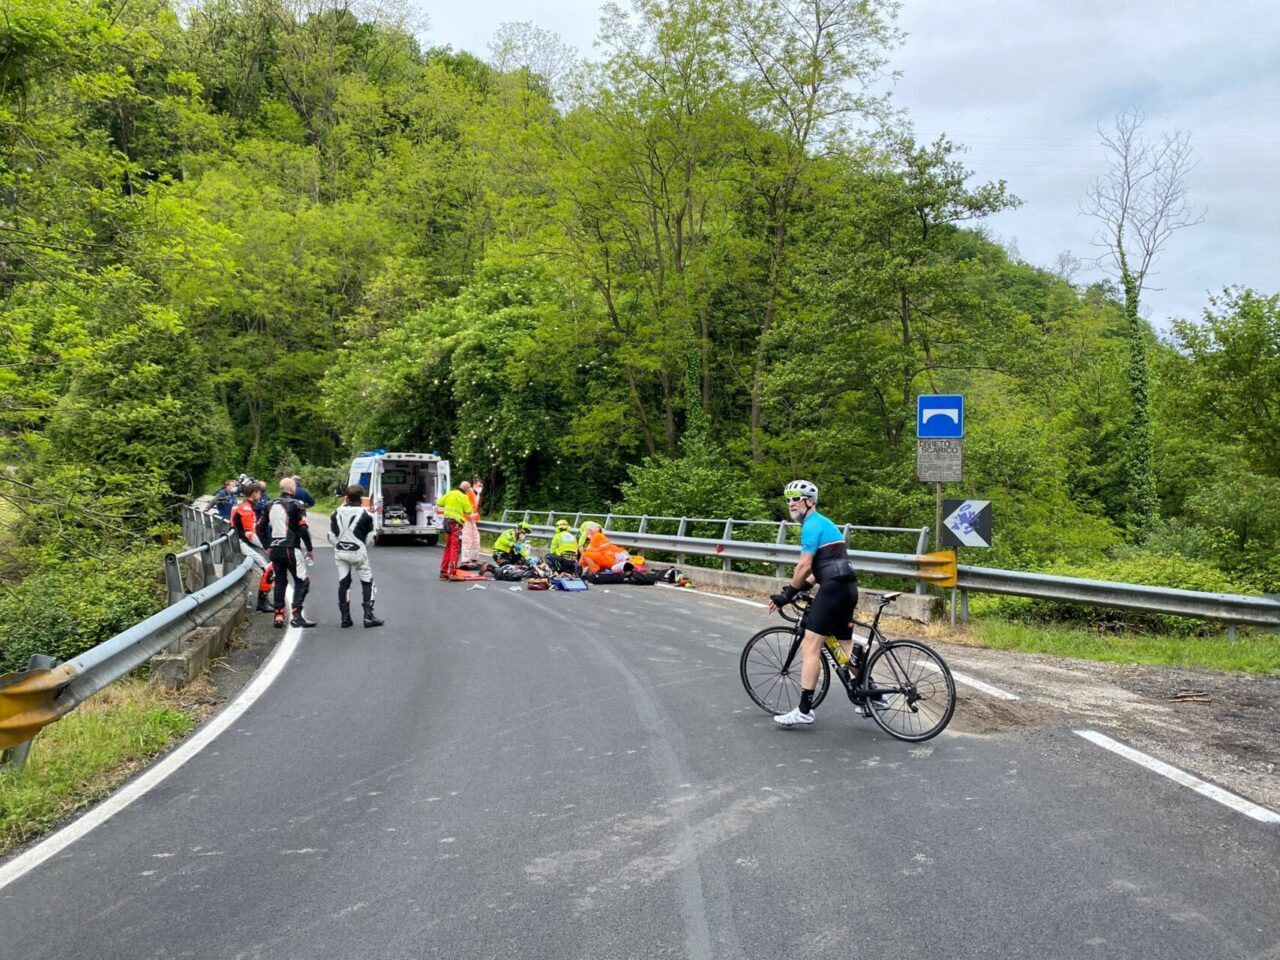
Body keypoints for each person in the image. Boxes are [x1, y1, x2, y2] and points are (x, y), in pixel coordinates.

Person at [768, 480, 859, 728]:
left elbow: (804, 566)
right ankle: (872, 695)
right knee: (845, 648)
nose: (791, 504)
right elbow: (823, 569)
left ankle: (804, 710)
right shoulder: (825, 524)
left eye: (796, 499)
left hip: (833, 590)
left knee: (810, 647)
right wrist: (801, 589)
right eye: (788, 499)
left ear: (810, 501)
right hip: (847, 588)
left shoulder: (811, 525)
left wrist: (788, 594)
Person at [260, 477, 316, 628]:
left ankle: (278, 615)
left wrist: (266, 545)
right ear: (293, 489)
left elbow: (259, 527)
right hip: (291, 547)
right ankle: (297, 615)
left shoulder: (269, 504)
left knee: (280, 581)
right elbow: (303, 529)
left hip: (275, 548)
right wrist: (309, 549)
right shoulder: (297, 504)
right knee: (303, 581)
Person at [329, 484, 383, 628]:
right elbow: (371, 537)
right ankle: (368, 617)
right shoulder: (366, 514)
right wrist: (364, 548)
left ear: (346, 498)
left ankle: (345, 618)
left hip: (340, 552)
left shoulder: (336, 512)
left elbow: (331, 535)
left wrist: (338, 546)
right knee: (367, 582)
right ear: (361, 498)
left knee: (344, 583)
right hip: (358, 551)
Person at [231, 482, 274, 612]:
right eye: (259, 493)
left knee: (269, 566)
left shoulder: (243, 506)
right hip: (244, 542)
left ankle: (263, 601)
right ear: (254, 493)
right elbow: (249, 534)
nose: (260, 495)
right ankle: (262, 602)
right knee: (269, 568)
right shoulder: (247, 509)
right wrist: (262, 547)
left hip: (239, 541)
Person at [436, 481, 471, 579]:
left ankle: (443, 572)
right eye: (469, 490)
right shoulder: (463, 497)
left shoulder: (450, 493)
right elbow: (469, 510)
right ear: (466, 489)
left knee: (448, 547)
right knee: (455, 548)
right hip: (456, 525)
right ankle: (452, 572)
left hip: (447, 523)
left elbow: (439, 502)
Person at [459, 479, 483, 568]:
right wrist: (469, 515)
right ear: (474, 485)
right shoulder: (469, 492)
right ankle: (465, 560)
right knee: (467, 539)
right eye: (479, 485)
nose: (480, 487)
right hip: (466, 519)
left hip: (472, 519)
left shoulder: (478, 495)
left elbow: (474, 507)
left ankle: (474, 558)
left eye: (481, 486)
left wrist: (475, 516)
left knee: (476, 539)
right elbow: (464, 505)